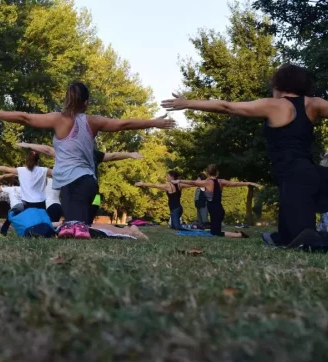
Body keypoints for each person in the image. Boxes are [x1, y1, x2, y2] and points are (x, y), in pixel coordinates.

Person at [0, 81, 174, 239]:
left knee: (78, 228)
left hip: (77, 184)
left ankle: (129, 232)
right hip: (83, 184)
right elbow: (124, 123)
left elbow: (25, 118)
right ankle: (125, 231)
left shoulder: (58, 119)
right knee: (75, 228)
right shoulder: (93, 121)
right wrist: (154, 122)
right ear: (86, 102)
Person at [162, 64, 328, 246]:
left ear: (279, 85)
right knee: (287, 237)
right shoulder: (315, 104)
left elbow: (226, 107)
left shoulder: (274, 105)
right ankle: (282, 237)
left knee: (306, 239)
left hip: (294, 178)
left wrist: (188, 103)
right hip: (309, 175)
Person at [17, 142, 143, 225]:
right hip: (86, 192)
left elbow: (48, 150)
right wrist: (130, 154)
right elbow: (48, 150)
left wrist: (28, 145)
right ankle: (81, 225)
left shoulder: (83, 153)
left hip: (85, 192)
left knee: (85, 217)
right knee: (83, 220)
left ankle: (81, 225)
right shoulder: (83, 153)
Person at [174, 164, 260, 238]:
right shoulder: (221, 181)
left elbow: (192, 182)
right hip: (219, 209)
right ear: (217, 172)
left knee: (215, 233)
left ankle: (239, 235)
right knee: (214, 231)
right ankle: (237, 234)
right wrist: (250, 183)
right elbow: (236, 184)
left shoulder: (206, 183)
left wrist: (179, 180)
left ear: (207, 173)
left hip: (215, 211)